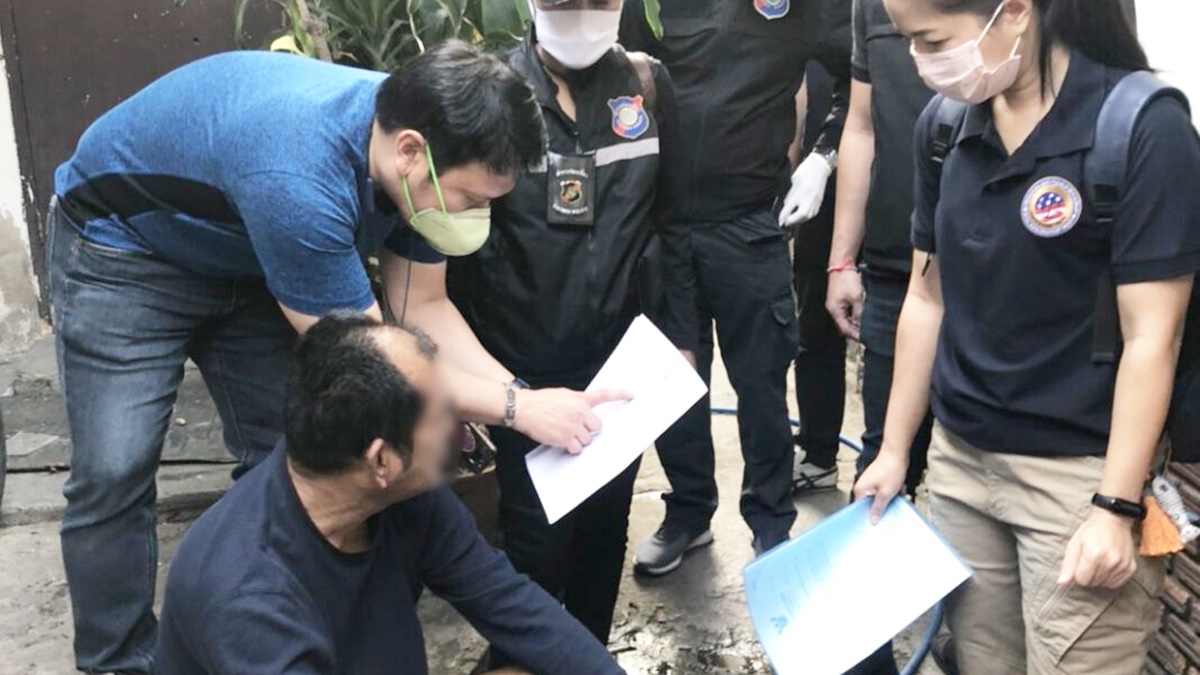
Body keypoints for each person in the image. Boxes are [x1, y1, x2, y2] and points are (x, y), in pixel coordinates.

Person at [49, 42, 610, 674]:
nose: (476, 215)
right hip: (126, 248)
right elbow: (381, 371)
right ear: (409, 153)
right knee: (116, 469)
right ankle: (116, 660)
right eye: (470, 198)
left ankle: (301, 637)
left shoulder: (417, 151)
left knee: (298, 455)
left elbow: (425, 309)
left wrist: (526, 397)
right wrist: (518, 410)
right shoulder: (300, 181)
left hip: (247, 251)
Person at [856, 0, 1200, 672]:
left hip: (1076, 478)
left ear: (1014, 12)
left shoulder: (1141, 127)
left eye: (933, 41)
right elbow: (926, 298)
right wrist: (895, 450)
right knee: (980, 659)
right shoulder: (945, 128)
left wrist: (1115, 506)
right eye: (909, 43)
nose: (921, 64)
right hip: (962, 465)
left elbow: (1152, 336)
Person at [155, 313, 625, 675]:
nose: (462, 428)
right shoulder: (249, 602)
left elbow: (509, 603)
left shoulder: (402, 491)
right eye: (444, 416)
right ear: (381, 461)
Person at [441, 0, 696, 657]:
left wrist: (682, 338)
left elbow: (674, 223)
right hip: (521, 371)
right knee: (534, 551)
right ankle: (525, 662)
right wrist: (473, 392)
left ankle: (589, 657)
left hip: (618, 371)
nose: (582, 12)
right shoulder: (495, 96)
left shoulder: (645, 87)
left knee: (604, 535)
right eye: (564, 1)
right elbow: (460, 255)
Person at [620, 0, 850, 573]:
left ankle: (771, 523)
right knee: (673, 383)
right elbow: (615, 72)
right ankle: (689, 513)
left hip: (748, 223)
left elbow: (863, 75)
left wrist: (824, 157)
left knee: (762, 387)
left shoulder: (803, 8)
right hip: (662, 224)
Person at [790, 7, 853, 494]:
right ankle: (818, 452)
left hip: (879, 177)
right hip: (815, 196)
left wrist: (825, 155)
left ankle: (898, 467)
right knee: (815, 323)